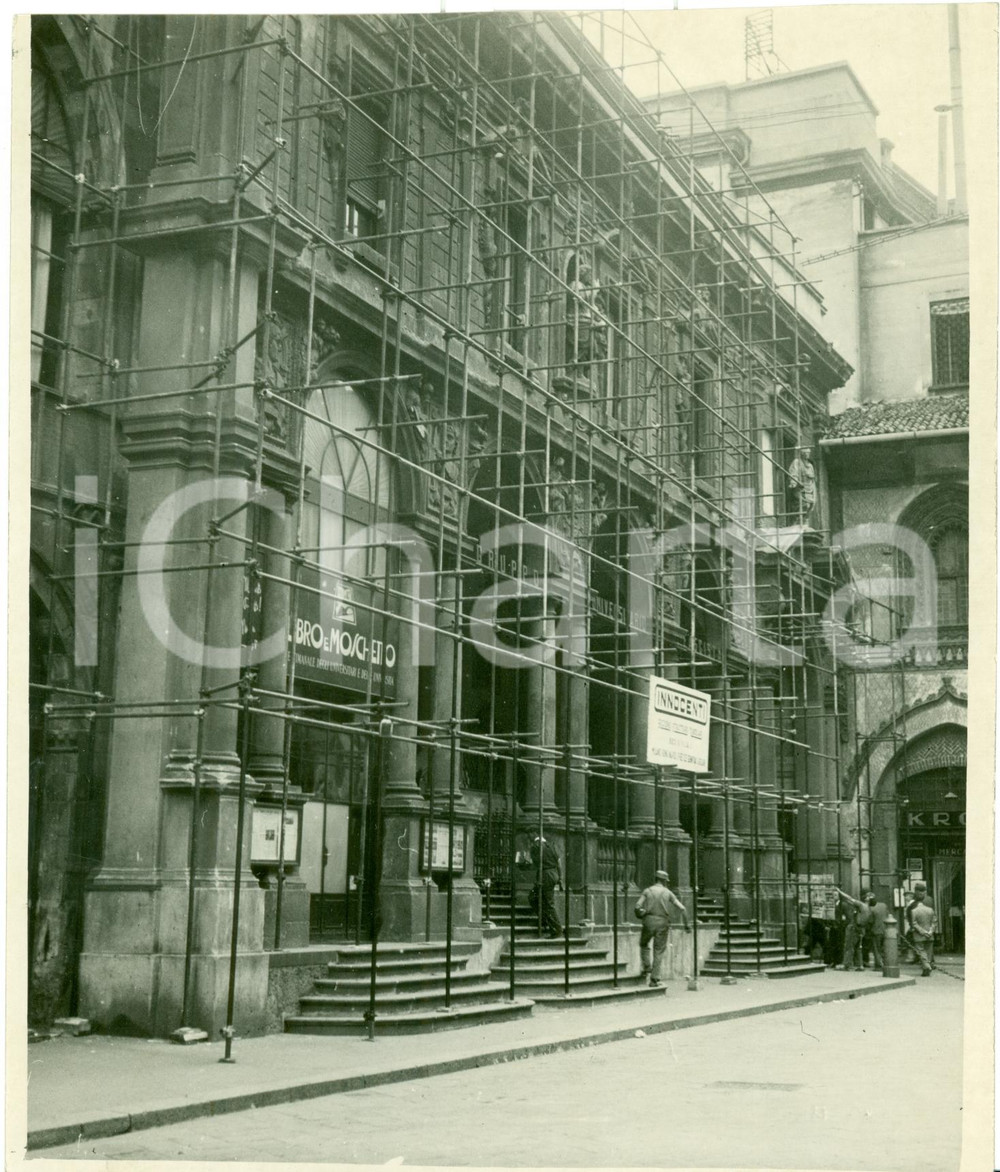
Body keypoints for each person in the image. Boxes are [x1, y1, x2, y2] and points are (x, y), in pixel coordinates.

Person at [634, 869, 689, 987]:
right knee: (658, 950)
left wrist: (644, 913)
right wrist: (686, 925)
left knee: (644, 944)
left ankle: (647, 967)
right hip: (663, 922)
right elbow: (682, 908)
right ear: (665, 881)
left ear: (656, 879)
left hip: (648, 922)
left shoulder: (647, 891)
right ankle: (654, 979)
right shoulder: (668, 893)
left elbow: (637, 906)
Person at [527, 835, 563, 938]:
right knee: (534, 897)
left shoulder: (535, 847)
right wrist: (560, 878)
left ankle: (557, 929)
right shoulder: (552, 846)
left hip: (545, 876)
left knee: (547, 903)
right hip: (553, 875)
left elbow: (533, 863)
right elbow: (559, 863)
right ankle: (545, 920)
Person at [909, 889, 938, 976]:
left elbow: (914, 923)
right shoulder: (930, 910)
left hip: (919, 935)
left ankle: (926, 966)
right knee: (928, 952)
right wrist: (930, 931)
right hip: (930, 935)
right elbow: (934, 922)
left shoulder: (914, 911)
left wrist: (923, 932)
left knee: (921, 951)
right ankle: (926, 968)